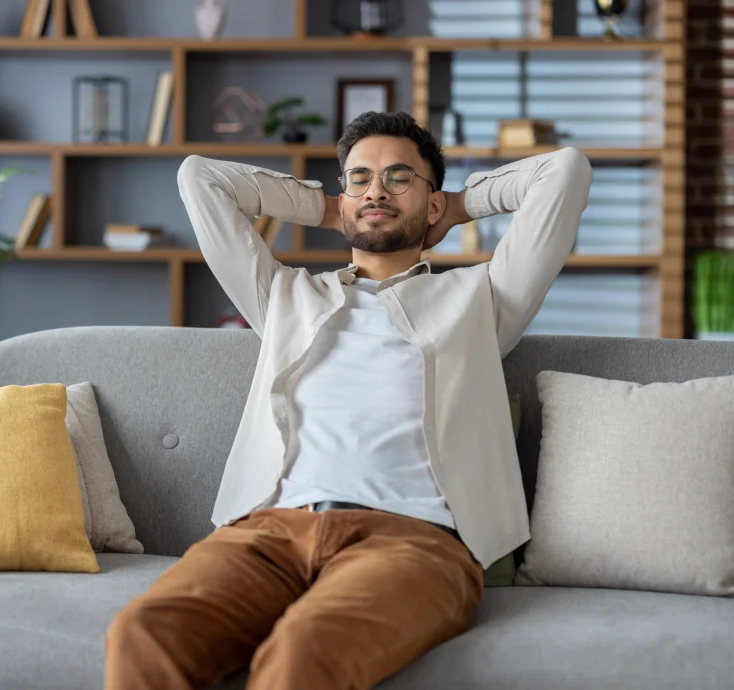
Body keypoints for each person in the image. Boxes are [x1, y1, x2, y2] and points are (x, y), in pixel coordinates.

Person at [104, 111, 592, 690]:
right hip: (270, 535)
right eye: (359, 179)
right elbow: (199, 178)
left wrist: (457, 206)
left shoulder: (480, 299)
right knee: (144, 632)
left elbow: (565, 171)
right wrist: (324, 208)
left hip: (412, 543)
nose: (376, 191)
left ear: (431, 203)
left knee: (303, 656)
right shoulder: (285, 296)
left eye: (399, 177)